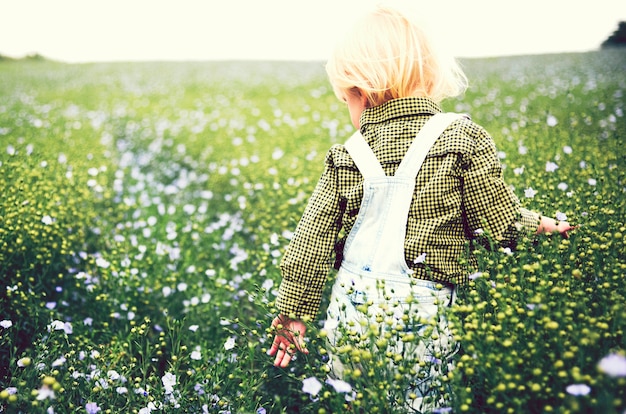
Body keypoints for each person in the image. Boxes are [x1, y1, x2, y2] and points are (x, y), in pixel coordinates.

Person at [268, 2, 574, 409]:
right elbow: (500, 223)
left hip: (351, 315)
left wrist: (293, 314)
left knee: (356, 401)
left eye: (346, 100)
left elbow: (311, 243)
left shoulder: (347, 154)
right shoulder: (462, 138)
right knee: (422, 401)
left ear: (359, 92)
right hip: (424, 314)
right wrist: (543, 226)